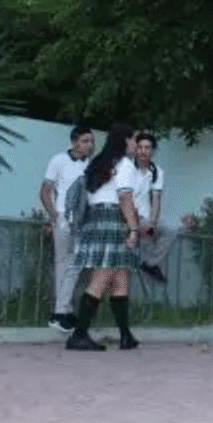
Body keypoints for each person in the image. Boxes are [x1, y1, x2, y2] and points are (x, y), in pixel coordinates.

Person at [65, 123, 142, 351]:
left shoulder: (98, 163)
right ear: (126, 141)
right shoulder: (125, 165)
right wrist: (133, 229)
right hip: (112, 219)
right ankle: (79, 335)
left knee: (120, 278)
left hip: (95, 219)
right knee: (101, 278)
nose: (136, 145)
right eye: (134, 140)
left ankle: (126, 336)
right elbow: (125, 198)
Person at [39, 125, 95, 333]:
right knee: (66, 265)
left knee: (72, 266)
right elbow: (45, 190)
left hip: (82, 221)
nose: (89, 145)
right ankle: (62, 311)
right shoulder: (59, 160)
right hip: (64, 218)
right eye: (85, 141)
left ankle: (61, 312)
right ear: (74, 142)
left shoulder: (90, 165)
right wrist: (54, 215)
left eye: (91, 141)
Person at [132, 132, 175, 284]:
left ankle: (150, 264)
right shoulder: (127, 169)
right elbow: (124, 199)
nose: (143, 151)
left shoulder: (157, 172)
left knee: (169, 232)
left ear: (153, 151)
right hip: (128, 217)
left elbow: (156, 199)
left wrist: (152, 221)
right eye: (140, 147)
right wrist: (135, 221)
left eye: (147, 148)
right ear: (135, 149)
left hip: (146, 219)